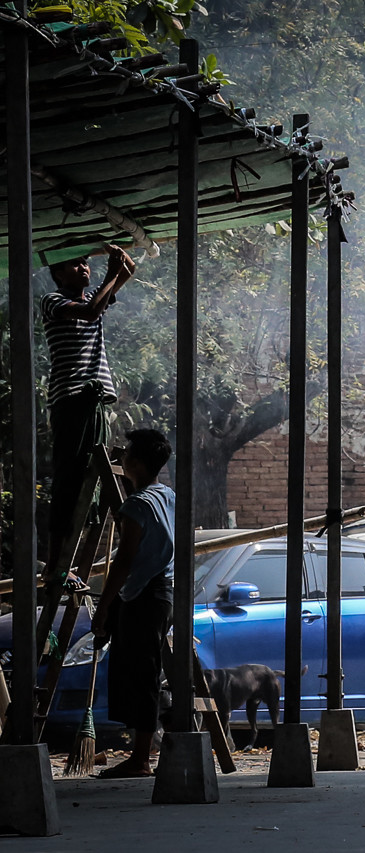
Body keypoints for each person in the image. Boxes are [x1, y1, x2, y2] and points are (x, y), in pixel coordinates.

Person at [41, 245, 135, 572]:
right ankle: (55, 566)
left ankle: (69, 563)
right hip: (71, 399)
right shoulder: (54, 301)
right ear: (58, 274)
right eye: (74, 263)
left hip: (93, 402)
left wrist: (116, 254)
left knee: (87, 485)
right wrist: (109, 272)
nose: (83, 267)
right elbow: (92, 312)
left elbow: (129, 270)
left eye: (85, 262)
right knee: (69, 481)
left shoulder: (92, 296)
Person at [91, 429, 175, 779]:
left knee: (142, 675)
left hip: (144, 594)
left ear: (136, 464)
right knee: (143, 670)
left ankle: (141, 759)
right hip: (161, 593)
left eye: (126, 454)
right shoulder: (166, 494)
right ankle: (141, 752)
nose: (121, 458)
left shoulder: (136, 506)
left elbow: (123, 563)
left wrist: (103, 608)